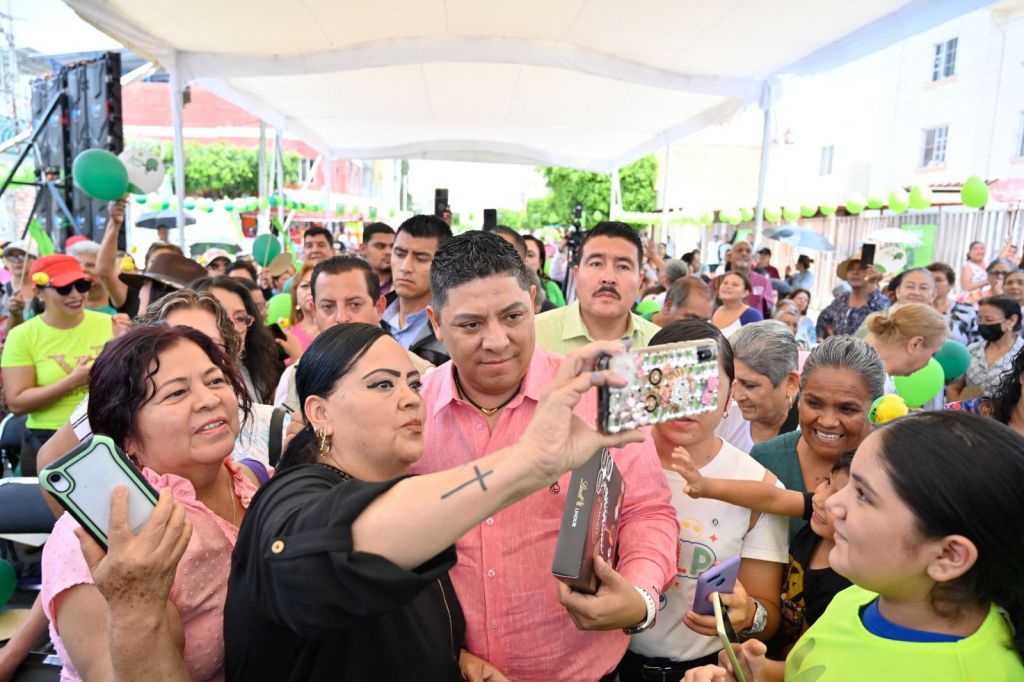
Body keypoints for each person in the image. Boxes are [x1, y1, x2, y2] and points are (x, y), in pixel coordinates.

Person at [225, 321, 650, 680]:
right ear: (319, 412)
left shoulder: (408, 500)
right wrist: (530, 462)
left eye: (412, 382)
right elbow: (325, 553)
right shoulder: (291, 496)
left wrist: (455, 661)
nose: (411, 397)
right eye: (382, 385)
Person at [414, 231, 677, 681]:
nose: (497, 341)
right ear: (436, 323)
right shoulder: (410, 412)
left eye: (513, 316)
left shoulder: (596, 396)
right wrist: (447, 652)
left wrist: (639, 596)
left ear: (534, 302)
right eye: (471, 324)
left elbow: (647, 510)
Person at [686, 412, 1024, 682]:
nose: (832, 506)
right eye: (835, 485)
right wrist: (759, 673)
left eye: (862, 495)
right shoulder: (858, 598)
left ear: (949, 556)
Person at [41, 325, 260, 681]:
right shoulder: (100, 542)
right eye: (176, 393)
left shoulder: (254, 480)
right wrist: (136, 603)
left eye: (216, 381)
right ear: (127, 436)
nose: (208, 399)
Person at [620, 320, 787, 681]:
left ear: (730, 395)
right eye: (668, 380)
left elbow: (768, 616)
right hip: (608, 666)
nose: (684, 398)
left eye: (705, 384)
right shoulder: (609, 461)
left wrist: (749, 614)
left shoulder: (756, 486)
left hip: (704, 672)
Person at [673, 450, 854, 656]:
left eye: (838, 496)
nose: (820, 498)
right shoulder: (820, 512)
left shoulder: (845, 587)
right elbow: (771, 497)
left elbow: (808, 656)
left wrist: (760, 671)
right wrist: (706, 486)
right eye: (827, 482)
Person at [750, 336, 886, 539]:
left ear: (876, 408)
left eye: (847, 408)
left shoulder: (893, 469)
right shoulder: (765, 460)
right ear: (799, 397)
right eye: (814, 403)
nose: (828, 421)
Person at [273, 254, 433, 412]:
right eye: (328, 306)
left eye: (354, 305)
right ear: (314, 311)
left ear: (379, 307)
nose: (341, 318)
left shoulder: (424, 378)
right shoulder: (293, 378)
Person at [0, 255, 114, 474]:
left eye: (81, 285)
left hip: (104, 436)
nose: (76, 294)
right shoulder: (22, 335)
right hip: (46, 440)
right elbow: (17, 402)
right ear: (39, 292)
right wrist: (72, 382)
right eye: (64, 289)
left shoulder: (110, 323)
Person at [535, 221, 661, 353]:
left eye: (623, 266)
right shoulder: (534, 334)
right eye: (596, 264)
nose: (608, 278)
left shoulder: (658, 345)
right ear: (576, 275)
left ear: (639, 281)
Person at [192, 276, 283, 404]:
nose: (232, 327)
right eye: (219, 314)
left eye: (240, 318)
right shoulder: (184, 383)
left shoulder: (253, 372)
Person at [716, 321, 800, 453]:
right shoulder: (723, 417)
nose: (737, 396)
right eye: (733, 382)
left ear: (790, 382)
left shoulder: (810, 434)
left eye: (749, 385)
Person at [383, 214, 452, 366]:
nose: (405, 267)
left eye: (421, 258)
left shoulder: (452, 331)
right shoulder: (372, 316)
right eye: (399, 254)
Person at [948, 295, 1023, 401]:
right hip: (968, 416)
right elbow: (954, 388)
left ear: (1011, 320)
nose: (983, 324)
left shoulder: (1021, 353)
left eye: (989, 319)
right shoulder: (972, 350)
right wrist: (958, 413)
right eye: (980, 319)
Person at [863, 304, 948, 393]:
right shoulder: (875, 383)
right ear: (915, 344)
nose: (927, 364)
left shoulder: (860, 364)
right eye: (933, 354)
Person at [815, 255, 889, 339]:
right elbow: (823, 319)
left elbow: (884, 321)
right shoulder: (842, 299)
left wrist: (872, 283)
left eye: (861, 268)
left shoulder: (879, 301)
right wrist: (829, 339)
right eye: (851, 269)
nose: (855, 272)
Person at [926, 262, 979, 346]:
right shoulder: (917, 310)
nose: (933, 284)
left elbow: (976, 343)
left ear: (951, 284)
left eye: (938, 280)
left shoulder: (968, 310)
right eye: (929, 280)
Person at [719, 241, 775, 317]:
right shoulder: (718, 281)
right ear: (729, 256)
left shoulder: (763, 282)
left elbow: (770, 310)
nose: (744, 254)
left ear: (752, 257)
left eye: (748, 251)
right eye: (739, 250)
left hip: (755, 327)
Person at [65, 240, 116, 315]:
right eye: (77, 265)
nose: (83, 269)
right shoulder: (62, 306)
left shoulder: (121, 299)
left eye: (91, 265)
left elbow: (138, 323)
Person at [1, 240, 37, 335]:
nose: (17, 261)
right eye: (11, 257)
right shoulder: (2, 291)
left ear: (35, 260)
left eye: (23, 256)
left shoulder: (47, 289)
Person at [712, 272, 763, 337]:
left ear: (745, 292)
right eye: (725, 283)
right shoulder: (714, 311)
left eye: (735, 285)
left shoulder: (752, 316)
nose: (728, 286)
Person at [523, 233, 567, 308]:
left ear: (540, 262)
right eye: (518, 253)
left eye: (530, 255)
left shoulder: (551, 287)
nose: (524, 259)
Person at [359, 221, 395, 295]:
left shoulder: (404, 285)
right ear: (363, 249)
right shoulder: (351, 283)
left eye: (392, 246)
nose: (389, 252)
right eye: (380, 246)